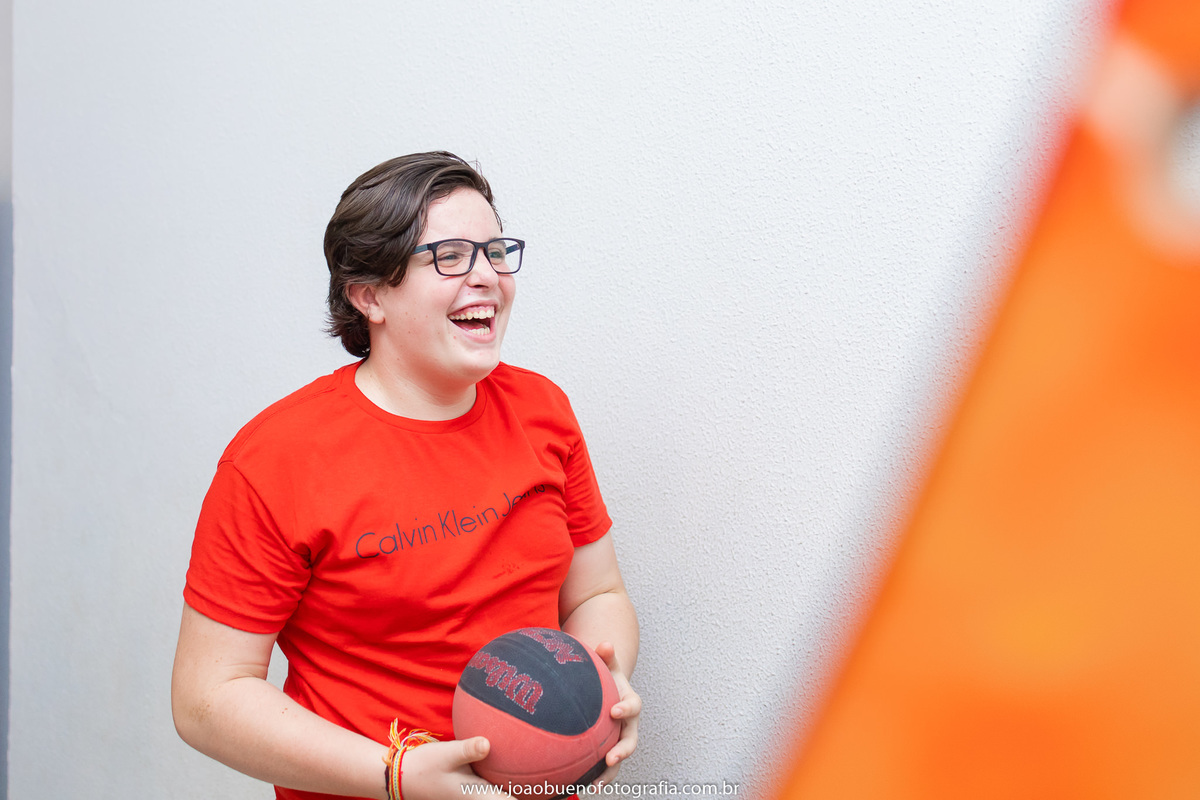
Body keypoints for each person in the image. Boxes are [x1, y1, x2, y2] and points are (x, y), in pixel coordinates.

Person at [172, 152, 640, 800]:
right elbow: (207, 697)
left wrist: (598, 702)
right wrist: (396, 776)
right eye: (449, 256)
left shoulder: (544, 412)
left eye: (496, 251)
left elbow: (596, 596)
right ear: (369, 295)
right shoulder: (275, 459)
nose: (486, 277)